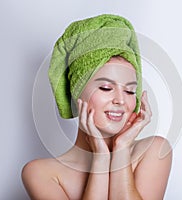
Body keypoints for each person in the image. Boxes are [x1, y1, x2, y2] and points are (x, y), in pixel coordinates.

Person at [22, 14, 172, 200]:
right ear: (77, 95)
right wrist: (101, 159)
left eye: (130, 91)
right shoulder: (41, 173)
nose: (120, 100)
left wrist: (121, 149)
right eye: (106, 88)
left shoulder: (154, 151)